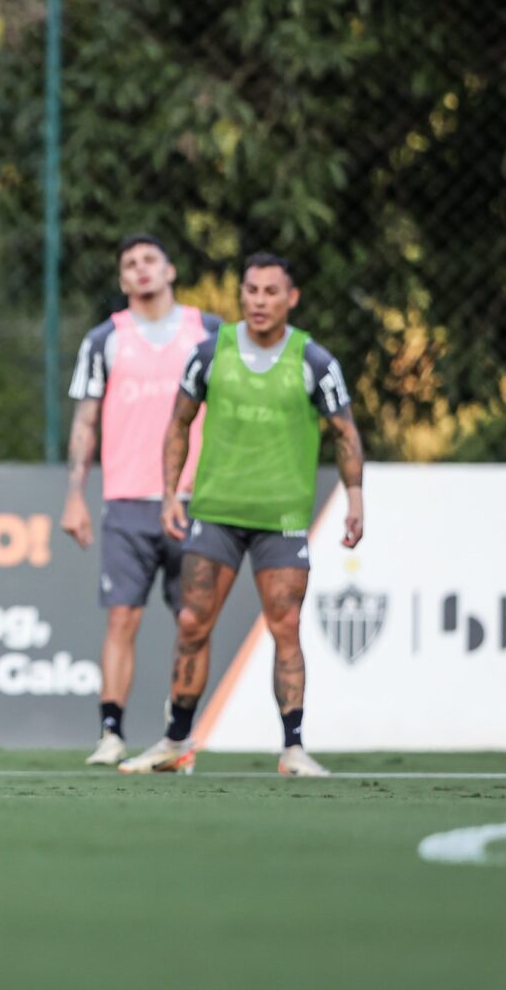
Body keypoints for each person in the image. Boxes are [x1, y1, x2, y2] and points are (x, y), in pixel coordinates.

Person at [119, 253, 363, 777]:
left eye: (271, 291)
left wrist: (355, 499)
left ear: (291, 298)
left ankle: (293, 748)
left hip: (282, 516)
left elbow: (345, 431)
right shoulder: (209, 353)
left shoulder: (314, 361)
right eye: (251, 290)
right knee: (191, 623)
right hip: (216, 512)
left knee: (286, 626)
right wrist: (168, 494)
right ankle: (175, 741)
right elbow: (178, 424)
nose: (259, 301)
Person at [61, 235, 220, 766]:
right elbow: (85, 422)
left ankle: (179, 738)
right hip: (127, 500)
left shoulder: (211, 333)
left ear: (170, 268)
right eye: (129, 263)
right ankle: (111, 734)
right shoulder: (105, 339)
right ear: (123, 279)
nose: (141, 269)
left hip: (196, 499)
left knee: (193, 622)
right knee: (121, 619)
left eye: (150, 259)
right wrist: (75, 498)